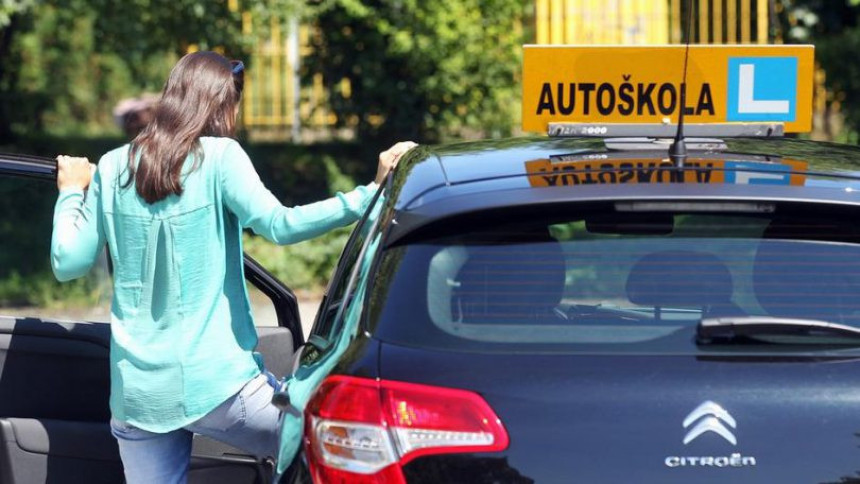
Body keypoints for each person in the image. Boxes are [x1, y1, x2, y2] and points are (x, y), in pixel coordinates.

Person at [51, 51, 416, 484]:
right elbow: (281, 225)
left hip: (138, 397)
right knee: (334, 449)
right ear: (222, 104)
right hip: (220, 388)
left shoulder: (112, 166)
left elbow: (67, 263)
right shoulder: (220, 157)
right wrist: (370, 193)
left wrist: (71, 192)